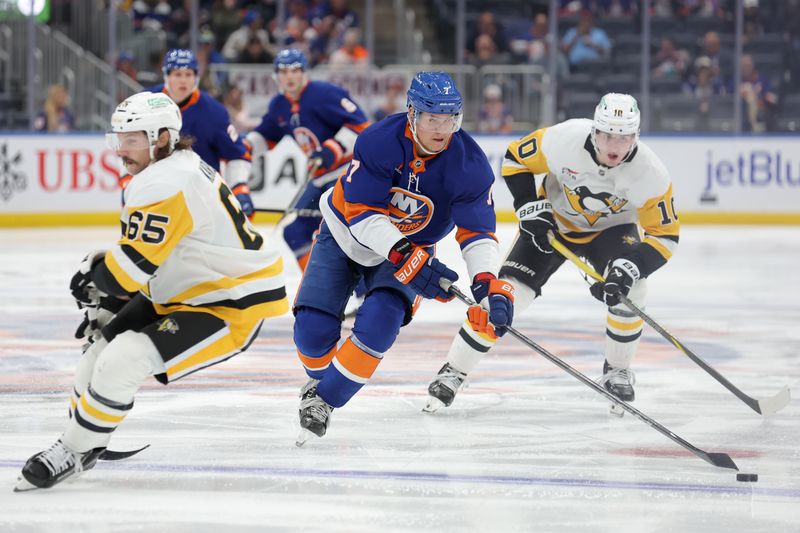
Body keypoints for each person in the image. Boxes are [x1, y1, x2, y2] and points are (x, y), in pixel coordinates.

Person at [15, 92, 288, 491]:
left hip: (228, 303)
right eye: (119, 138)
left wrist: (101, 287)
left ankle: (74, 450)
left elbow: (128, 272)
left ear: (161, 137)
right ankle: (86, 441)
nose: (120, 149)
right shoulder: (173, 169)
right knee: (96, 355)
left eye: (132, 139)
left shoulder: (166, 181)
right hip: (187, 288)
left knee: (123, 358)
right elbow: (158, 253)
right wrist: (107, 283)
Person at [291, 72, 514, 444]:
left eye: (450, 119)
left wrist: (488, 283)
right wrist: (406, 254)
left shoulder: (470, 164)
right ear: (412, 113)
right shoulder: (379, 141)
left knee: (381, 322)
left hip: (410, 247)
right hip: (346, 233)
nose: (442, 129)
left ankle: (324, 402)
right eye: (432, 118)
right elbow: (363, 215)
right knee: (312, 334)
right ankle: (322, 378)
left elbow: (477, 233)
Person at [425, 93, 679, 414]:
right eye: (607, 135)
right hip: (552, 225)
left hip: (612, 233)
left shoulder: (651, 172)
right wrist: (528, 207)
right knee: (503, 296)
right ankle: (454, 370)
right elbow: (516, 158)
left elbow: (666, 235)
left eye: (624, 137)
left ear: (636, 137)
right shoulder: (564, 138)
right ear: (594, 132)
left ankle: (617, 369)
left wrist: (629, 268)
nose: (614, 146)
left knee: (633, 291)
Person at [245, 48, 370, 274]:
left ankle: (364, 293)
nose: (289, 76)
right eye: (283, 71)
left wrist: (331, 150)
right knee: (295, 233)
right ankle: (321, 286)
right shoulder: (279, 105)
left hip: (349, 172)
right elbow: (266, 135)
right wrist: (243, 147)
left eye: (295, 70)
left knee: (348, 234)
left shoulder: (325, 93)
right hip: (321, 177)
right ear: (276, 76)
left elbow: (361, 125)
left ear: (304, 72)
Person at [138, 49, 254, 218]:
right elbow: (129, 145)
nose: (183, 80)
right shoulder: (144, 104)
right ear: (166, 75)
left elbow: (237, 153)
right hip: (156, 195)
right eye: (177, 74)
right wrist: (128, 183)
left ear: (196, 76)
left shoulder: (214, 112)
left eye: (188, 74)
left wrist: (240, 189)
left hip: (202, 197)